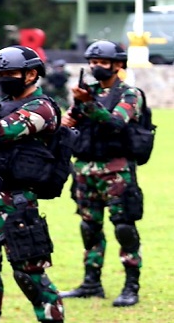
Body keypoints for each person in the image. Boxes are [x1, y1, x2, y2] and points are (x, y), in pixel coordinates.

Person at [0, 46, 65, 323]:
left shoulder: (42, 107)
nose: (3, 79)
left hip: (18, 204)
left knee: (29, 275)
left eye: (10, 73)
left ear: (31, 74)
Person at [59, 40, 144, 307]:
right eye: (93, 62)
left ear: (118, 65)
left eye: (102, 63)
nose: (96, 67)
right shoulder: (87, 92)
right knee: (89, 227)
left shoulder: (130, 94)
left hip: (116, 171)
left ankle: (131, 285)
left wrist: (89, 103)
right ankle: (91, 283)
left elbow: (116, 122)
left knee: (124, 227)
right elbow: (72, 119)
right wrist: (70, 117)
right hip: (85, 169)